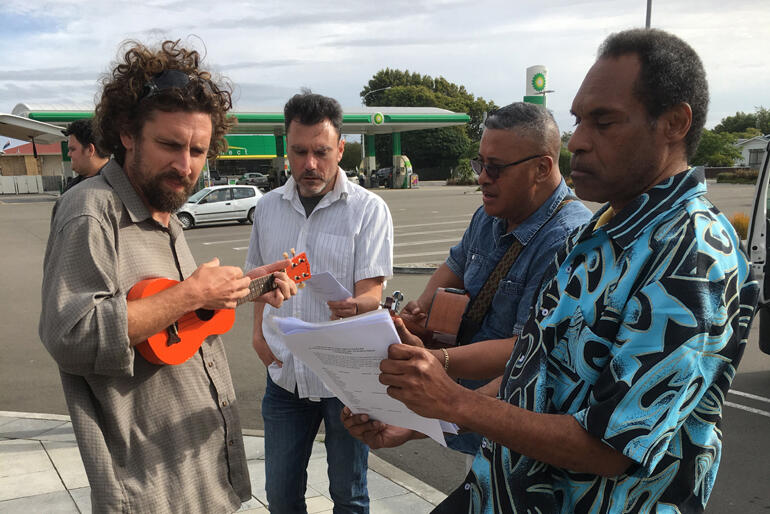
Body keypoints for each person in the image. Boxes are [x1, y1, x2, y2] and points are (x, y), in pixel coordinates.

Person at [344, 28, 759, 513]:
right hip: (501, 490)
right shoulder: (604, 229)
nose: (577, 142)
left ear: (674, 123)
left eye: (603, 122)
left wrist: (452, 401)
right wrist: (418, 419)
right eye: (579, 120)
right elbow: (533, 367)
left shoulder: (692, 253)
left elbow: (609, 448)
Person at [39, 40, 297, 513]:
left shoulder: (167, 217)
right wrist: (189, 293)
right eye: (170, 145)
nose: (186, 166)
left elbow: (180, 315)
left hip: (202, 472)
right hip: (148, 490)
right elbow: (70, 334)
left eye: (198, 150)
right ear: (128, 133)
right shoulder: (91, 211)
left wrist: (248, 286)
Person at [398, 102, 592, 455]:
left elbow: (526, 350)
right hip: (467, 414)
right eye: (480, 163)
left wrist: (437, 362)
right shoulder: (490, 214)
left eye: (496, 168)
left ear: (541, 168)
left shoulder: (569, 238)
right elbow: (455, 265)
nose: (482, 177)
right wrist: (420, 310)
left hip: (514, 431)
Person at [245, 91, 393, 513]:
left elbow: (371, 294)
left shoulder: (368, 210)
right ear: (286, 149)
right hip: (284, 376)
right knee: (281, 495)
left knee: (349, 495)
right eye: (300, 152)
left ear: (341, 149)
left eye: (321, 152)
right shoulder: (269, 207)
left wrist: (356, 306)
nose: (310, 164)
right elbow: (260, 279)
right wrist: (258, 337)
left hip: (344, 377)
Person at [62, 119, 109, 192]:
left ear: (90, 150)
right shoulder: (72, 187)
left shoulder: (116, 186)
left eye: (73, 149)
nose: (69, 154)